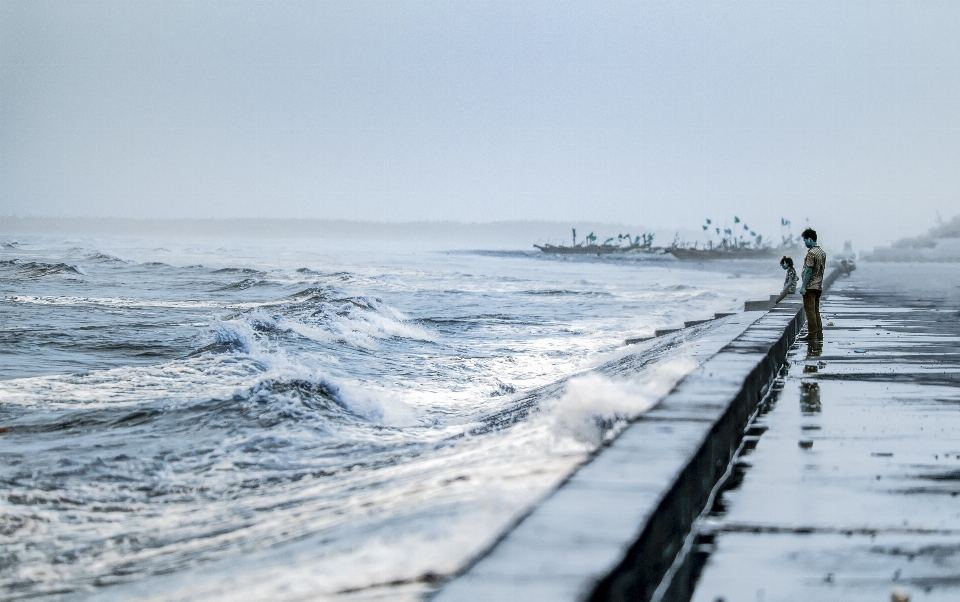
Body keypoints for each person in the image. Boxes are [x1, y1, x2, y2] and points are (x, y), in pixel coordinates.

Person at [798, 228, 827, 341]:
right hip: (819, 286)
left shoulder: (811, 253)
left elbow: (809, 270)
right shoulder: (822, 252)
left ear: (809, 239)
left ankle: (812, 334)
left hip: (810, 286)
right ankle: (818, 332)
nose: (804, 243)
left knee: (810, 312)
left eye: (805, 240)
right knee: (816, 310)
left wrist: (803, 286)